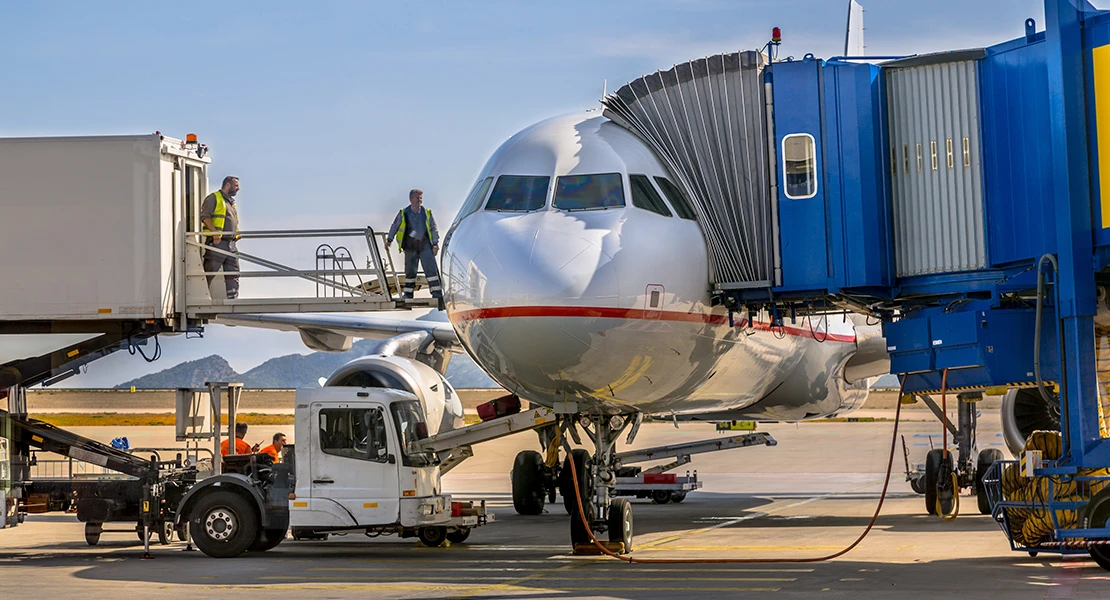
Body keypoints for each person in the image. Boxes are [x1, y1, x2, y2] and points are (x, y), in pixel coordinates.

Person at [386, 189, 441, 300]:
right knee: (410, 272)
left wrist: (435, 244)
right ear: (411, 199)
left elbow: (434, 228)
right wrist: (389, 240)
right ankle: (408, 294)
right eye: (417, 198)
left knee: (431, 271)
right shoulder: (403, 213)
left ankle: (437, 294)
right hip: (410, 247)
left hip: (425, 247)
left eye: (421, 198)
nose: (419, 200)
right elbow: (395, 226)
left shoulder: (427, 212)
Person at [200, 176, 242, 300]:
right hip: (218, 242)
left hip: (231, 243)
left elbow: (232, 221)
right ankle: (202, 296)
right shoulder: (214, 198)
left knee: (234, 272)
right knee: (210, 270)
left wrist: (237, 234)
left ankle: (232, 299)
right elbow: (205, 216)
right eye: (236, 185)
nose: (238, 188)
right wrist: (214, 233)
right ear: (228, 185)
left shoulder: (231, 202)